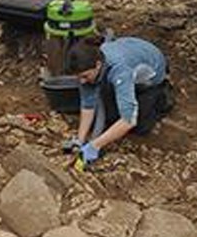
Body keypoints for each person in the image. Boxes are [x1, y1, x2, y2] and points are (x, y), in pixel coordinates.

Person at [63, 35, 174, 168]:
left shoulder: (119, 69)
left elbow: (128, 121)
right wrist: (79, 141)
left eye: (85, 76)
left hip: (151, 73)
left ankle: (163, 94)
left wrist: (95, 146)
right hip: (129, 52)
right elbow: (88, 105)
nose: (81, 81)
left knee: (139, 125)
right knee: (112, 116)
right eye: (78, 77)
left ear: (98, 65)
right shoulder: (89, 66)